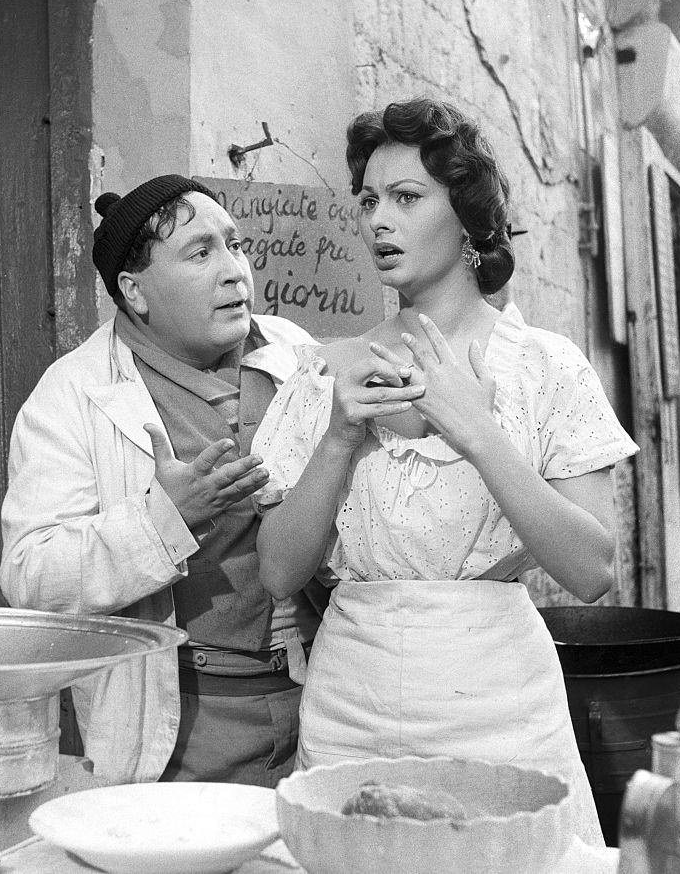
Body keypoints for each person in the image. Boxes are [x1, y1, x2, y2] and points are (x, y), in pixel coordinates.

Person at [252, 99, 639, 846]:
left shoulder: (544, 367)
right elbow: (277, 572)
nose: (377, 221)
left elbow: (592, 569)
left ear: (466, 217)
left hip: (500, 705)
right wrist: (337, 437)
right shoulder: (324, 369)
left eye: (406, 197)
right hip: (351, 701)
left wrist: (479, 433)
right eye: (368, 200)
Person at [0, 174, 319, 787]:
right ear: (135, 292)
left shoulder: (293, 352)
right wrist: (163, 519)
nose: (235, 271)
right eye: (201, 253)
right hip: (189, 724)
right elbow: (30, 577)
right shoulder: (71, 395)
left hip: (323, 699)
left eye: (235, 245)